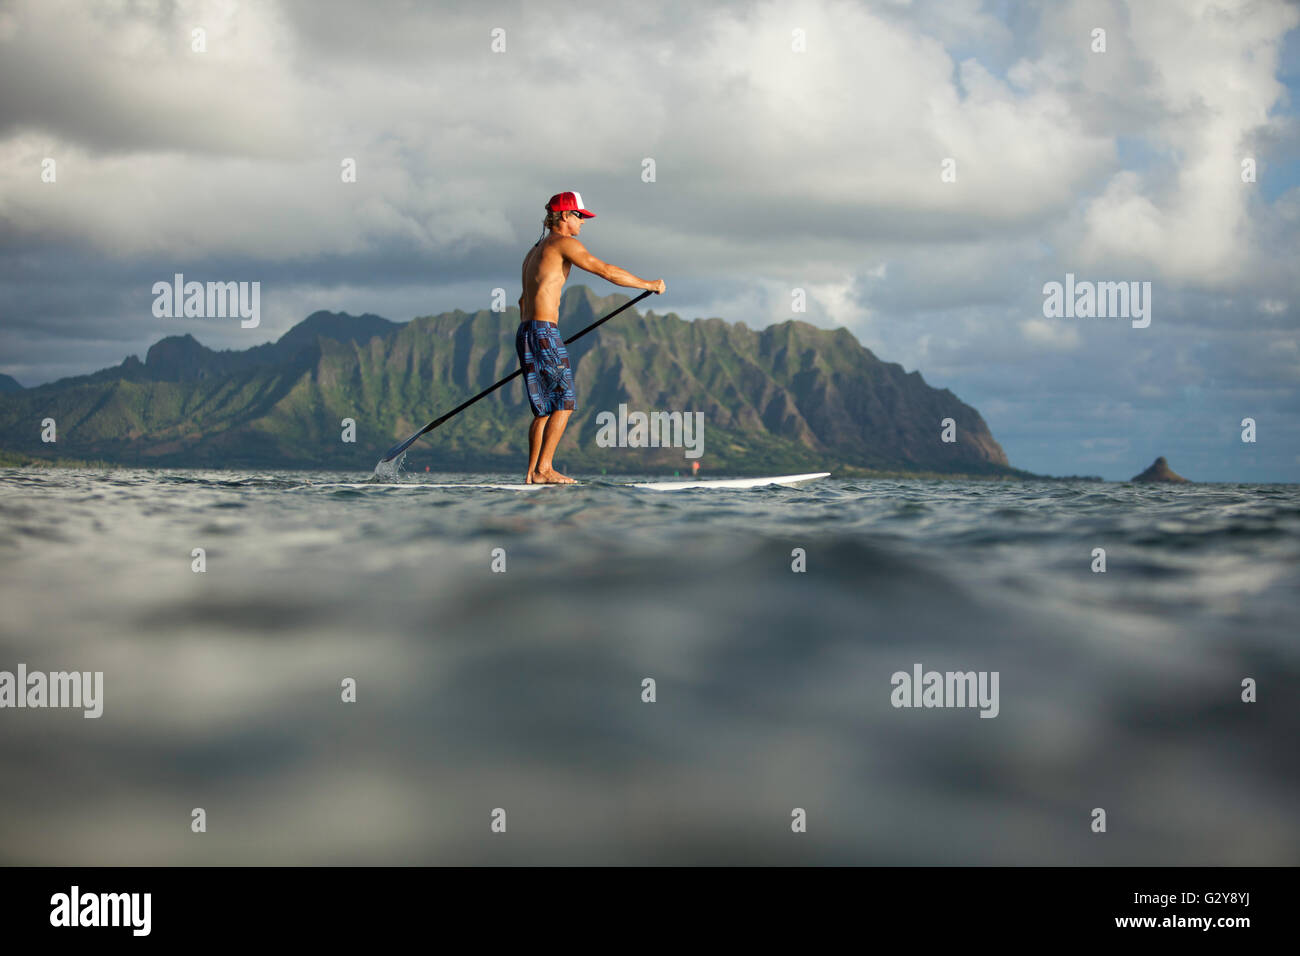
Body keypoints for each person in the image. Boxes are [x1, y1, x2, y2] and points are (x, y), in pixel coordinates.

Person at [516, 191, 666, 483]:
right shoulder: (564, 244)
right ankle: (545, 470)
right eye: (579, 216)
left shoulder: (533, 251)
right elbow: (605, 271)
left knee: (543, 408)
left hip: (527, 331)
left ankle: (533, 472)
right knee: (565, 402)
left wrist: (537, 336)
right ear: (564, 217)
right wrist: (648, 284)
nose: (583, 222)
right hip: (543, 331)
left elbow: (523, 301)